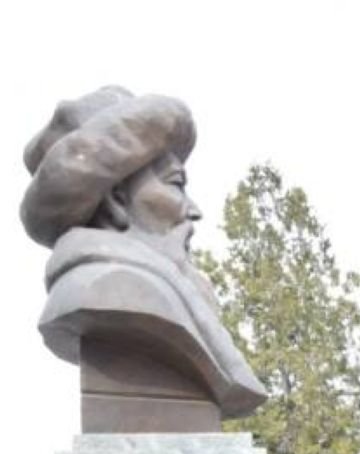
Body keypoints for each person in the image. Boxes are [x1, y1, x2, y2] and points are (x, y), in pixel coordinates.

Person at [20, 86, 266, 427]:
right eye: (175, 184)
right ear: (116, 199)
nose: (193, 212)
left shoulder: (166, 291)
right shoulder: (107, 289)